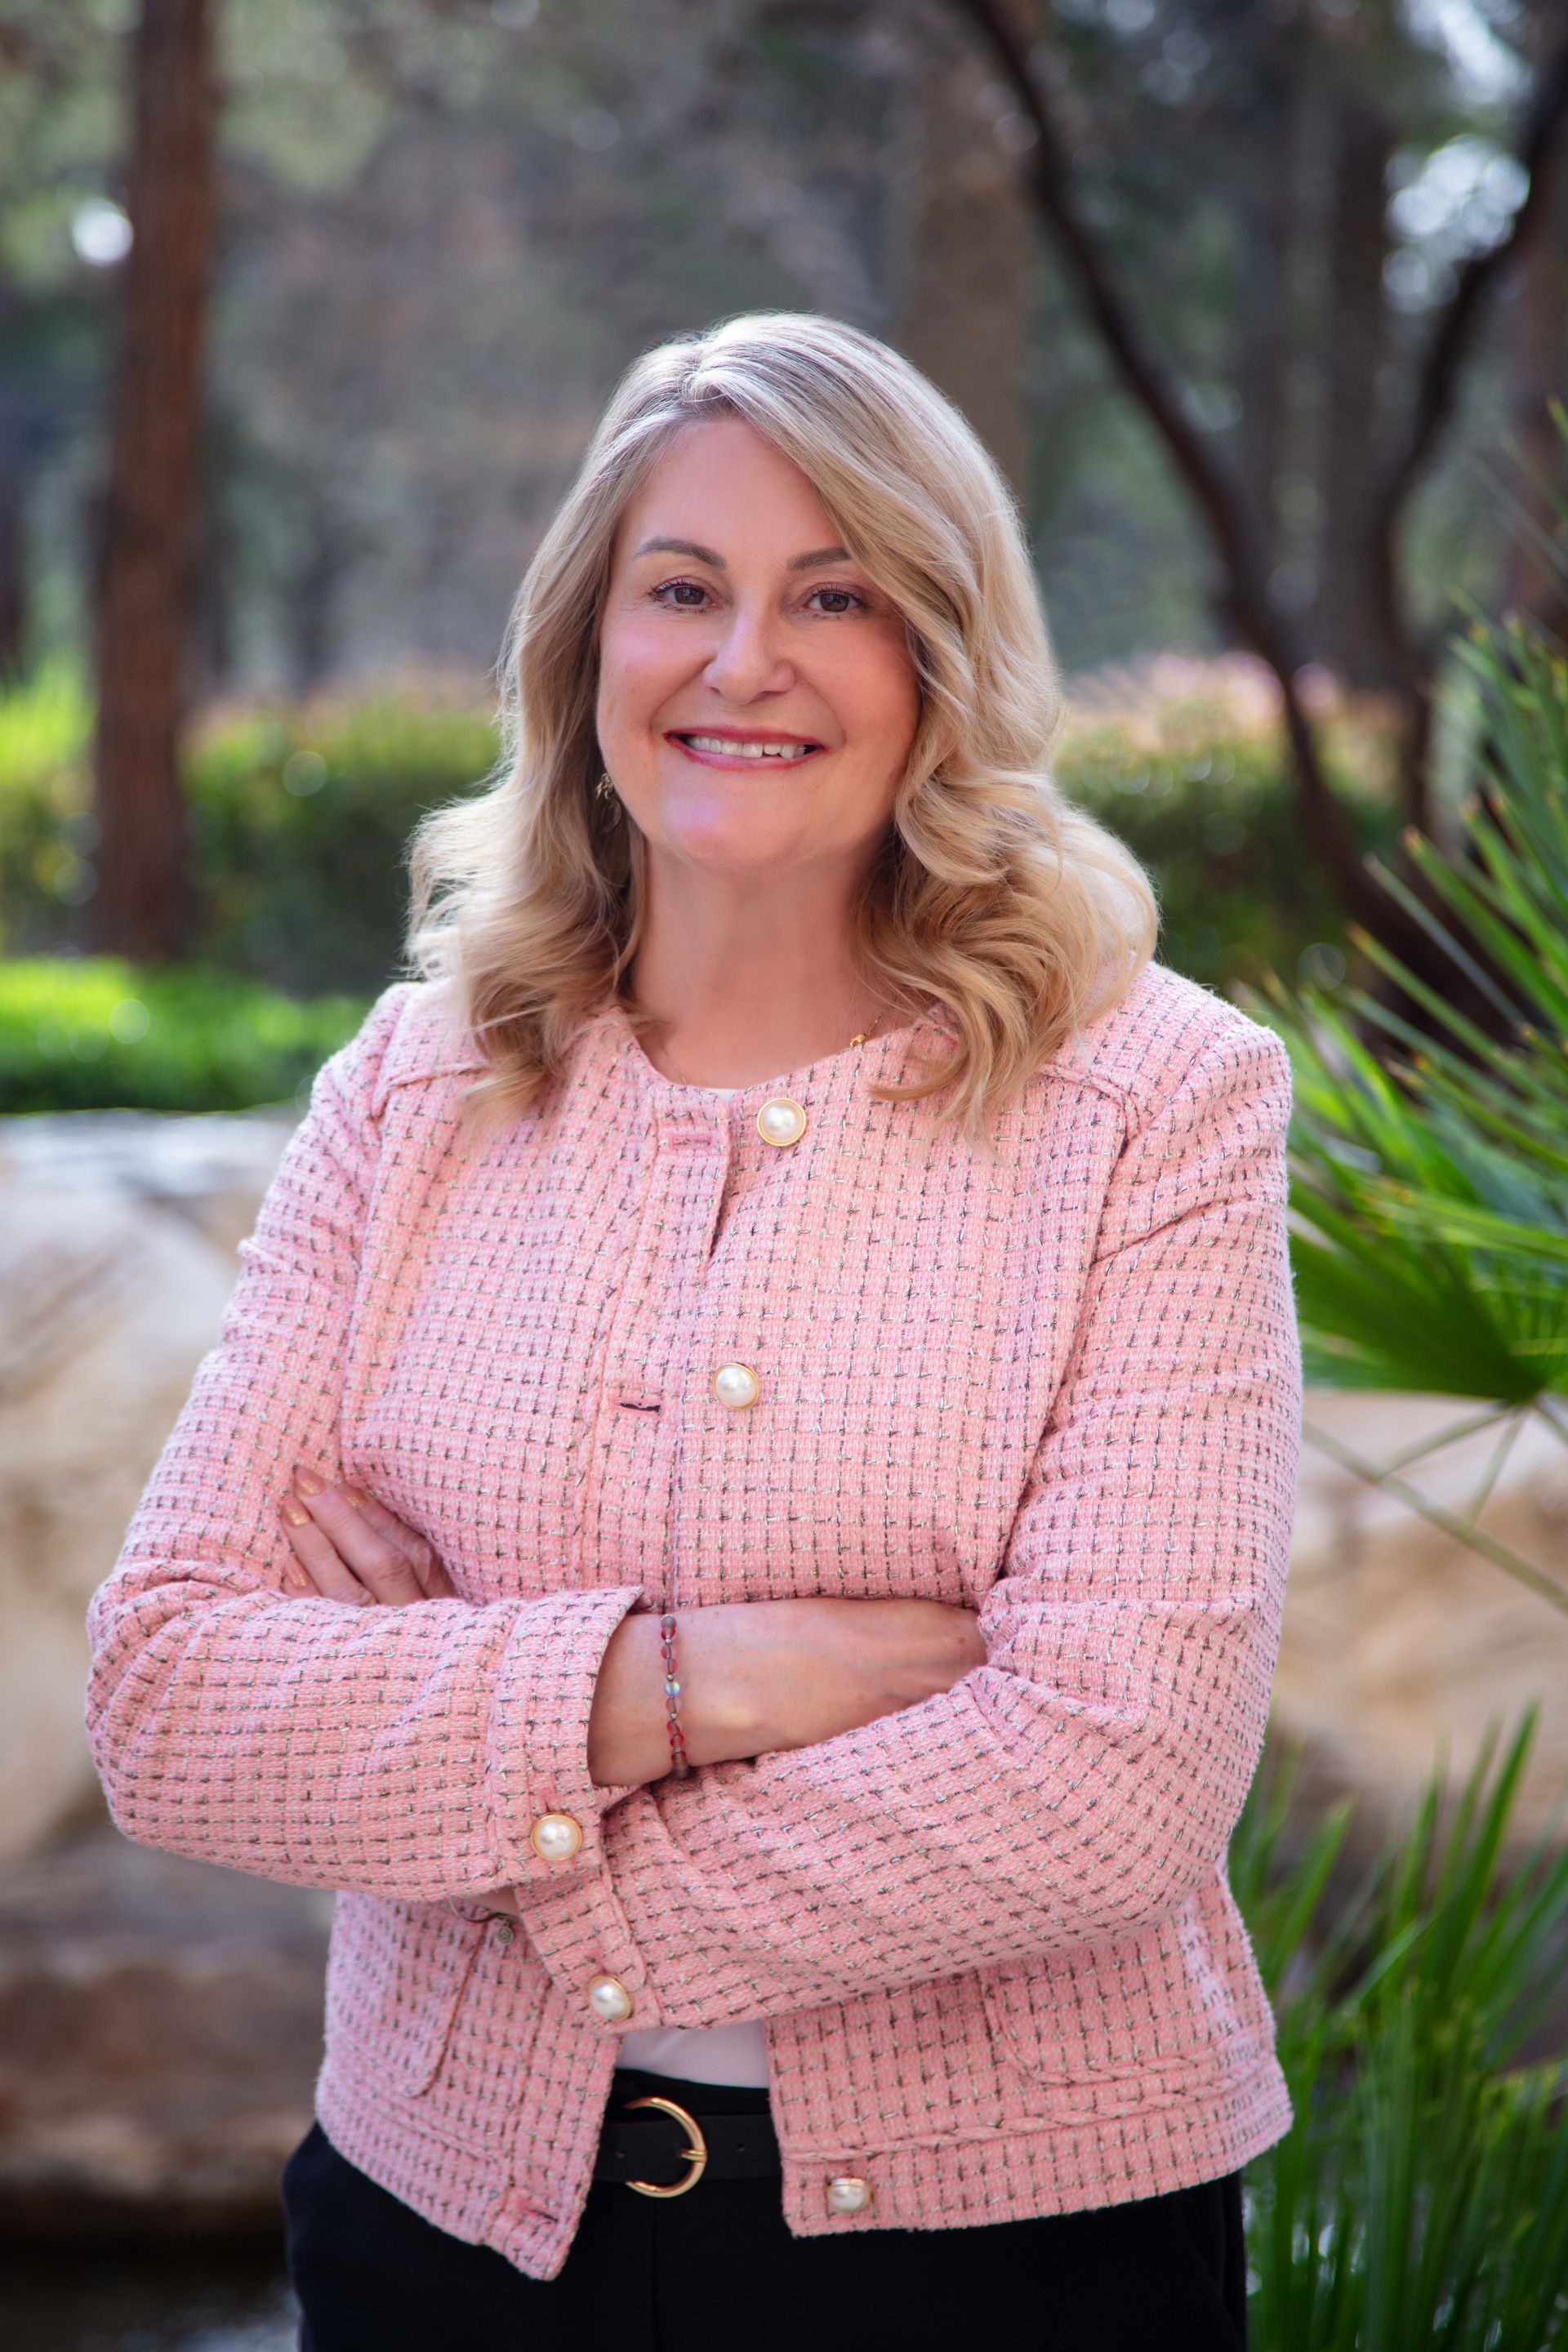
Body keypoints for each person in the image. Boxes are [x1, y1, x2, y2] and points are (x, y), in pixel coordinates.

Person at [85, 312, 1302, 2351]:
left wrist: (468, 1799)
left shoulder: (1156, 1102)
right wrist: (687, 1686)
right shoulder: (411, 1091)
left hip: (1007, 2266)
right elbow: (172, 1695)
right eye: (684, 589)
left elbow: (1110, 1786)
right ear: (587, 651)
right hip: (439, 2231)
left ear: (943, 659)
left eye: (836, 595)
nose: (746, 661)